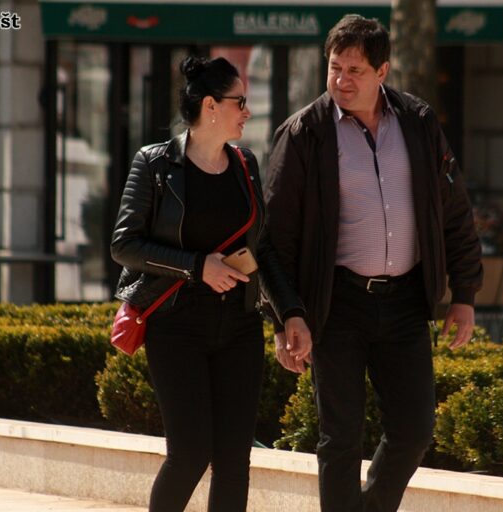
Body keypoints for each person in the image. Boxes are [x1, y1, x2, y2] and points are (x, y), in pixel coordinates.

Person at [264, 15, 483, 512]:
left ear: (382, 71)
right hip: (336, 304)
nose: (342, 80)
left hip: (405, 301)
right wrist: (284, 318)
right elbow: (275, 239)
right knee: (340, 437)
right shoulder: (304, 133)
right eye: (335, 68)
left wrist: (464, 294)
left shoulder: (419, 122)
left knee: (414, 429)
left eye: (355, 70)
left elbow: (454, 211)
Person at [110, 56, 312, 512]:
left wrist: (290, 313)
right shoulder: (155, 164)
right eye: (240, 102)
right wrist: (197, 266)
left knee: (234, 461)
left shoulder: (245, 165)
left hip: (239, 326)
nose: (247, 112)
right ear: (210, 106)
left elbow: (263, 251)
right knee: (189, 454)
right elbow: (124, 245)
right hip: (176, 326)